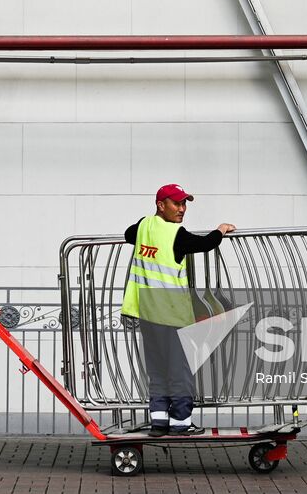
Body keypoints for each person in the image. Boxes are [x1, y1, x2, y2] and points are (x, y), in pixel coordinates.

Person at [120, 184, 235, 436]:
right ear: (161, 205)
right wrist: (220, 230)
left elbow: (129, 234)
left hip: (147, 311)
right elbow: (205, 244)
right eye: (177, 204)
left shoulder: (143, 226)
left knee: (157, 368)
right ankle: (181, 422)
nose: (182, 209)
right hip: (171, 312)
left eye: (184, 204)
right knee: (179, 369)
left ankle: (159, 421)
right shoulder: (176, 234)